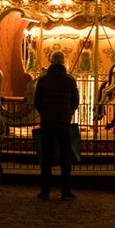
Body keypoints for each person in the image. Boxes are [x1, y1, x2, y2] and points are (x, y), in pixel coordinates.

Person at [34, 50, 79, 200]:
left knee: (46, 156)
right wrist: (68, 113)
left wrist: (45, 113)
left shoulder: (43, 80)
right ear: (63, 62)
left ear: (51, 62)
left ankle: (45, 190)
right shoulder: (69, 80)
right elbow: (75, 101)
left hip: (47, 121)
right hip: (63, 121)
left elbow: (37, 101)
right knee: (65, 156)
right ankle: (65, 190)